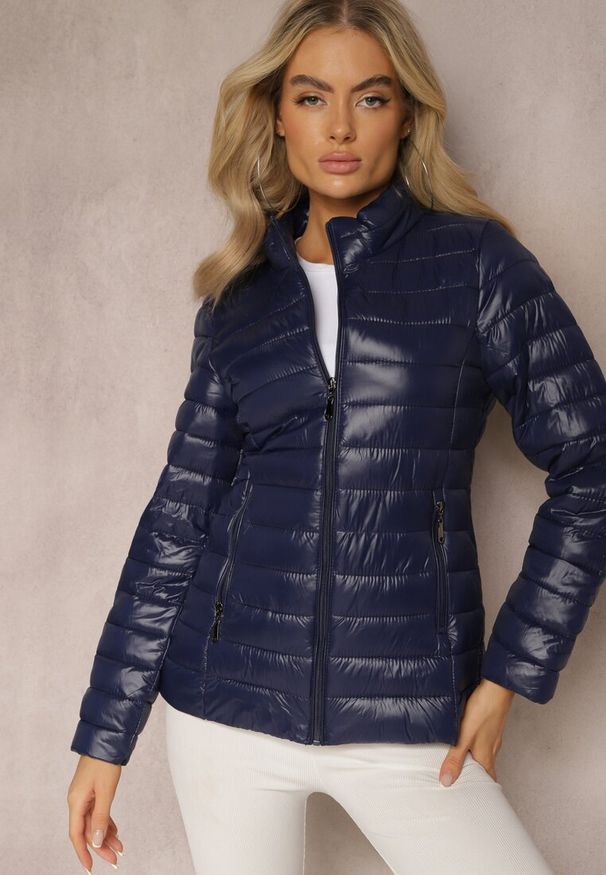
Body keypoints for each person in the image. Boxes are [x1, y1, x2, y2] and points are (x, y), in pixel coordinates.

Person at [67, 2, 606, 873]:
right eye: (313, 97)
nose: (342, 127)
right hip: (225, 712)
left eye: (372, 97)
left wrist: (509, 674)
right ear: (278, 115)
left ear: (408, 114)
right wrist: (104, 736)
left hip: (409, 708)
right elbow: (178, 517)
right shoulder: (240, 299)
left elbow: (593, 466)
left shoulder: (477, 267)